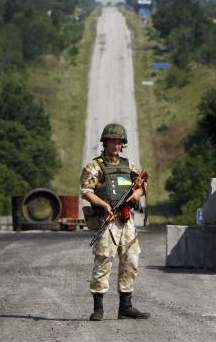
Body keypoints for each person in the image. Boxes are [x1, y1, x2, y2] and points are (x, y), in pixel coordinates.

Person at [80, 123, 150, 321]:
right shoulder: (95, 166)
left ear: (123, 144)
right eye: (112, 141)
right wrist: (104, 205)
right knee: (103, 260)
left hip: (126, 221)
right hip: (107, 219)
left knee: (131, 260)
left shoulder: (129, 165)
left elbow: (142, 184)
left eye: (119, 142)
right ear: (105, 142)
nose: (116, 145)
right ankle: (98, 309)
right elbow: (86, 192)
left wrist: (136, 195)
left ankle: (125, 307)